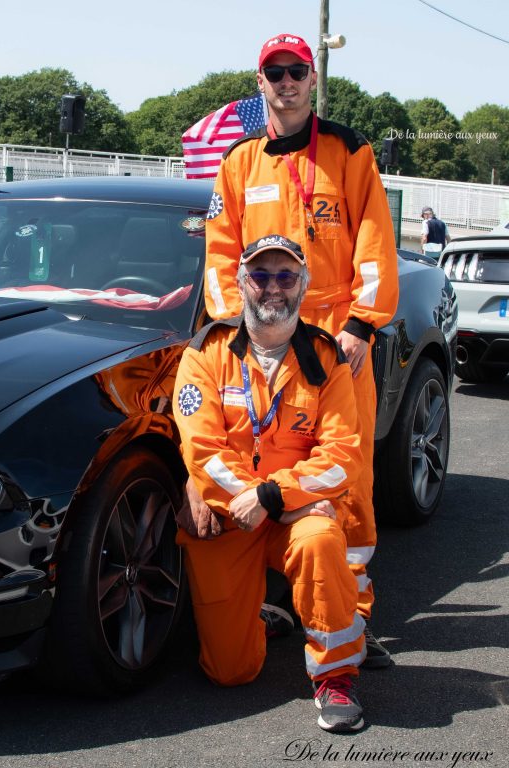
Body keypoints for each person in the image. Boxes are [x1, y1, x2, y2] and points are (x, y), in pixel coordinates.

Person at [199, 32, 399, 669]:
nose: (285, 82)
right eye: (273, 72)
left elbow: (374, 238)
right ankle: (262, 603)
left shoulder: (349, 151)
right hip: (263, 332)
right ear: (260, 83)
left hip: (336, 338)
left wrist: (361, 328)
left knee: (347, 484)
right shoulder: (238, 163)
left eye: (296, 71)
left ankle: (351, 620)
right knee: (257, 462)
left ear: (313, 80)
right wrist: (235, 329)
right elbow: (221, 253)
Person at [174, 234, 367, 732]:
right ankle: (262, 614)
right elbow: (201, 450)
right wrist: (247, 498)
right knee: (230, 673)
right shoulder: (205, 352)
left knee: (322, 540)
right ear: (241, 283)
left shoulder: (326, 358)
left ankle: (336, 677)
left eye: (286, 276)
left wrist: (273, 497)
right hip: (228, 515)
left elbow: (343, 454)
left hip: (289, 513)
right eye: (260, 276)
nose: (272, 288)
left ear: (304, 285)